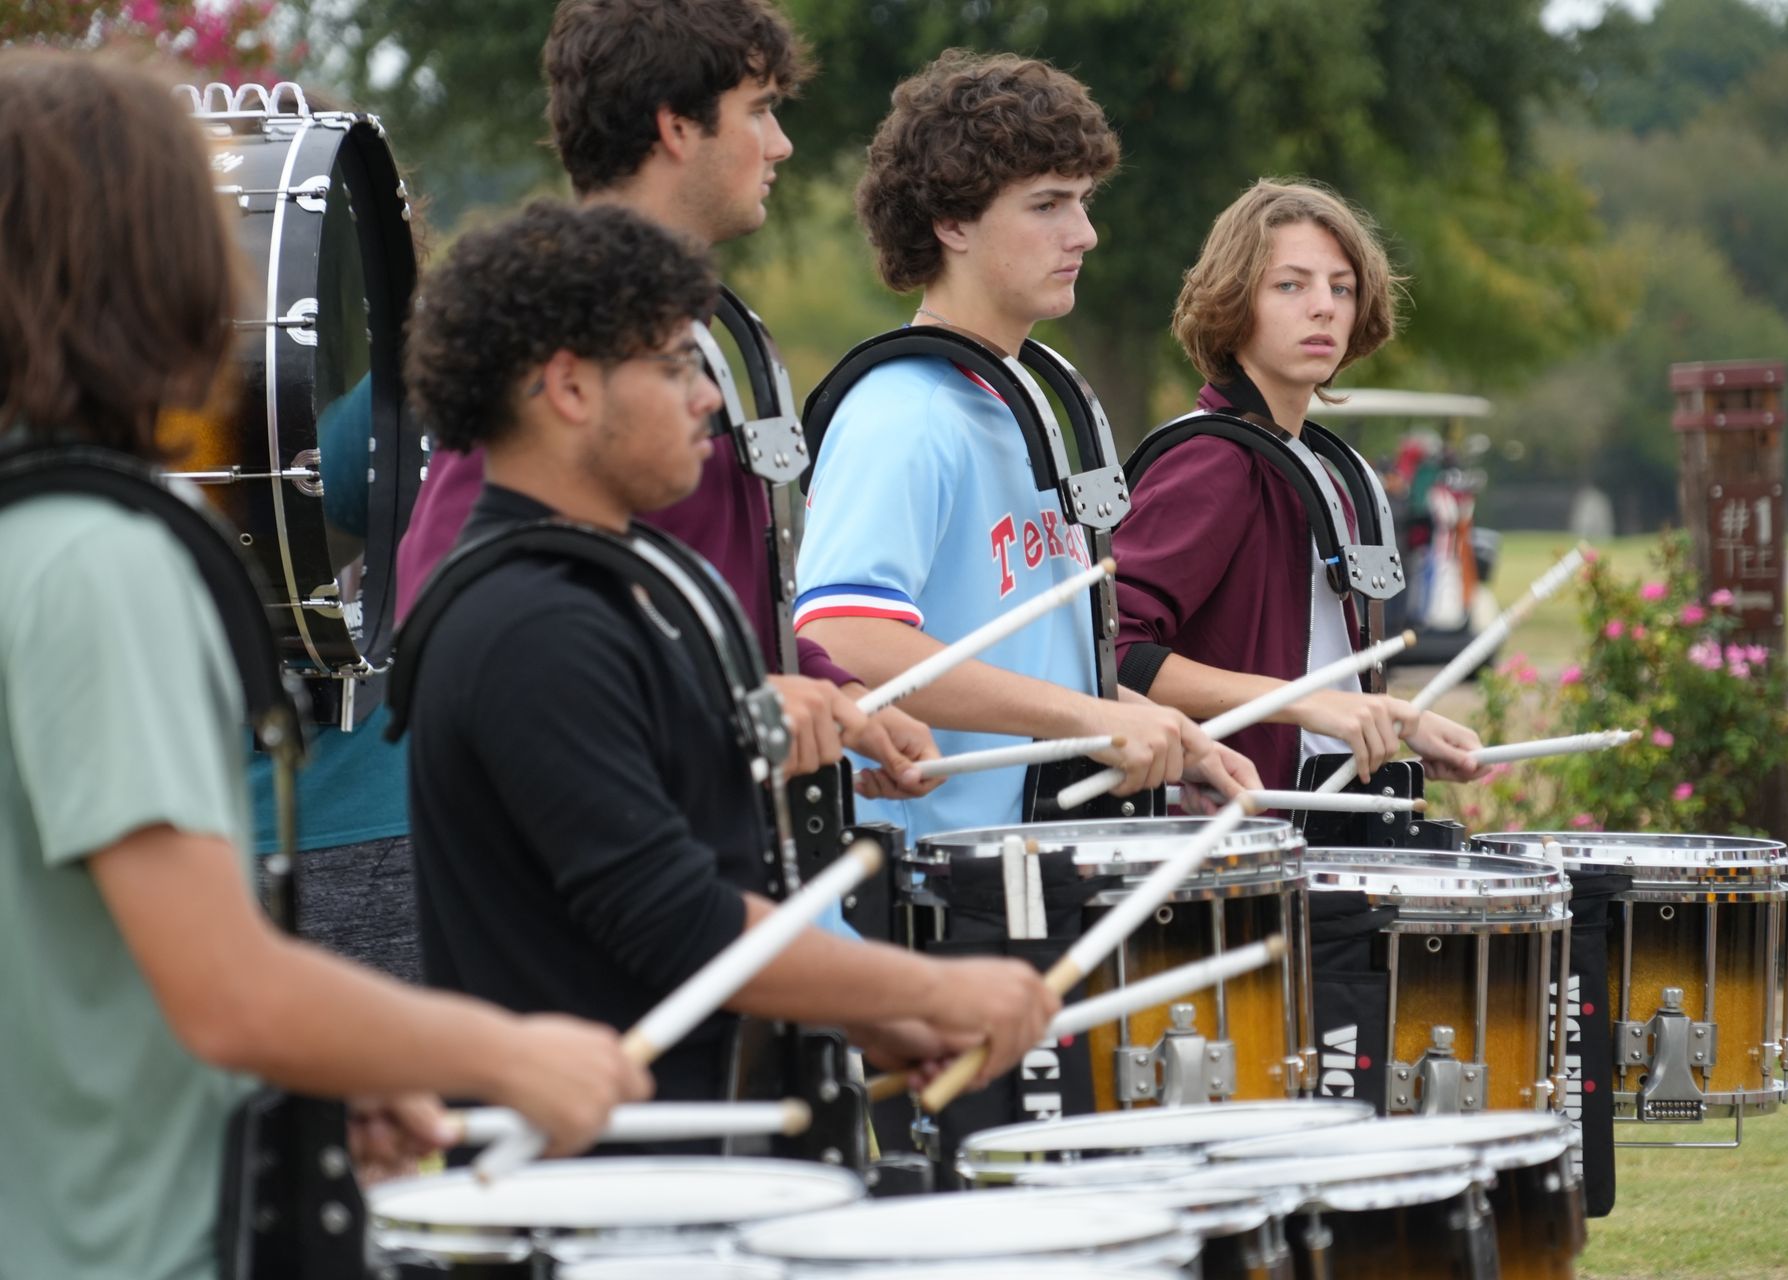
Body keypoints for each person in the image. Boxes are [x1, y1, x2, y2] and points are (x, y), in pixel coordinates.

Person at [0, 50, 645, 1280]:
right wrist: (506, 1053)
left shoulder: (30, 531)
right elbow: (225, 989)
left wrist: (316, 1077)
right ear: (158, 266)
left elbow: (95, 958)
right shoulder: (101, 565)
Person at [400, 199, 1057, 1107]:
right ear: (571, 388)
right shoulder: (526, 622)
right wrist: (931, 986)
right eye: (676, 366)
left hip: (708, 1144)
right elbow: (672, 915)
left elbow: (710, 857)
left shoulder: (640, 589)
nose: (708, 397)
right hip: (599, 1193)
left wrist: (876, 1017)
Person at [393, 0, 934, 801]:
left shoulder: (698, 328)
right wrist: (737, 705)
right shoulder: (558, 332)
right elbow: (446, 626)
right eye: (759, 111)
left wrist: (832, 692)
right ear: (677, 125)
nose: (780, 144)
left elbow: (711, 604)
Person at [795, 50, 1260, 846]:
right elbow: (842, 637)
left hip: (1036, 866)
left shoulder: (1034, 401)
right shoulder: (903, 413)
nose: (1084, 232)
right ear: (953, 222)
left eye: (1082, 201)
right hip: (931, 890)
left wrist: (1159, 728)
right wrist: (1085, 716)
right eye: (1047, 204)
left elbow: (1044, 658)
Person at [1111, 178, 1487, 791]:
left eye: (1341, 288)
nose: (1325, 307)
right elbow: (1114, 655)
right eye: (1291, 285)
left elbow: (1324, 679)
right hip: (1226, 840)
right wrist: (1302, 701)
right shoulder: (1211, 460)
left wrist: (1398, 722)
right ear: (1234, 303)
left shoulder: (1324, 468)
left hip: (1310, 828)